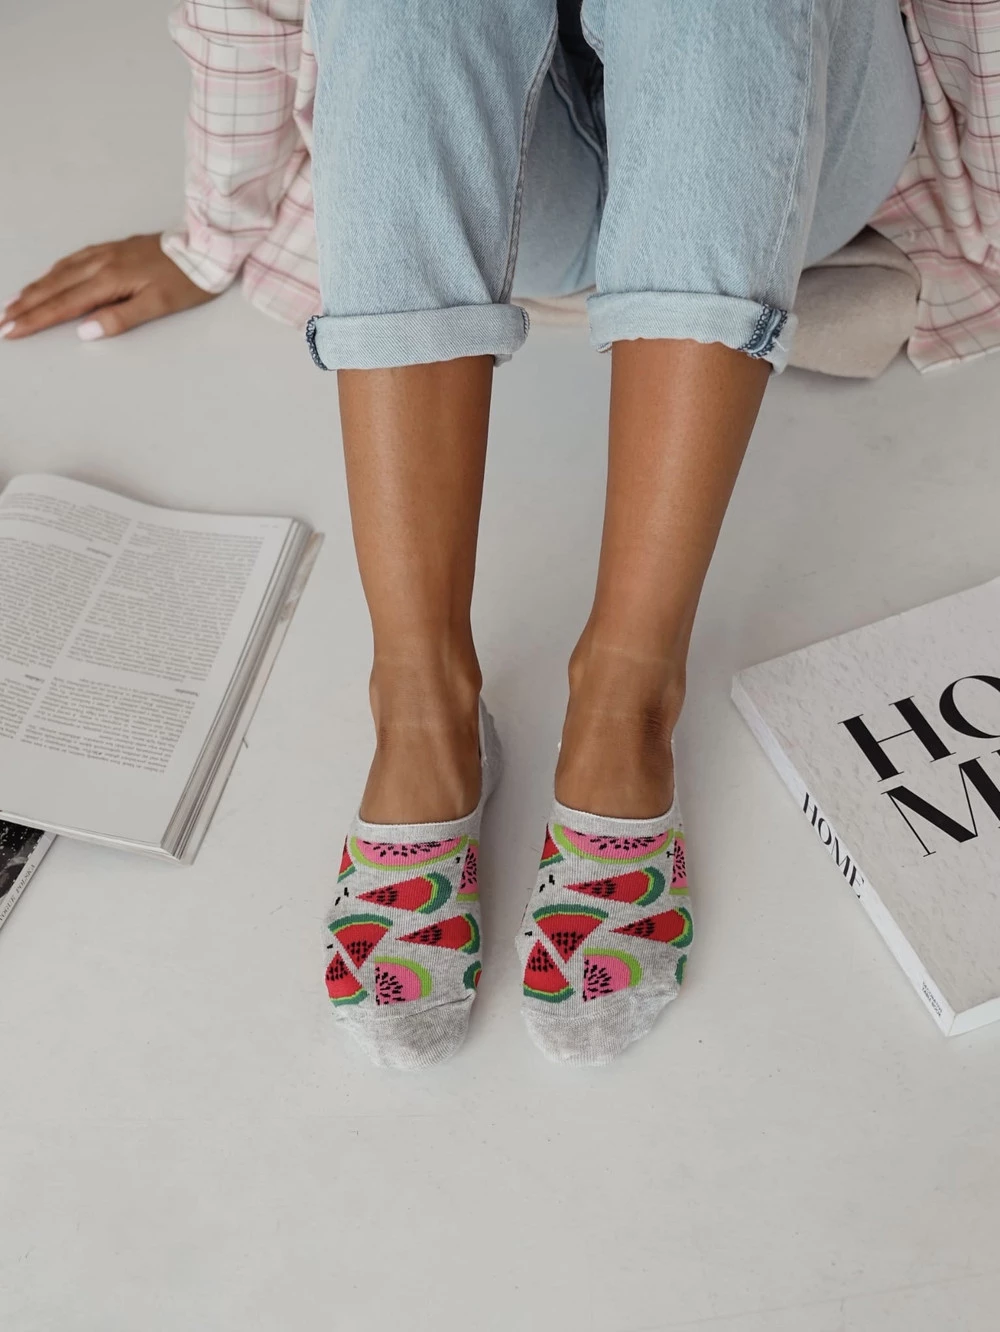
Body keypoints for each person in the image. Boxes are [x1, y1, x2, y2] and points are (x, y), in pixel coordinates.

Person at [3, 3, 997, 1070]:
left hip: (787, 130)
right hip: (530, 171)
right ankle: (420, 705)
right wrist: (208, 238)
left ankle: (628, 698)